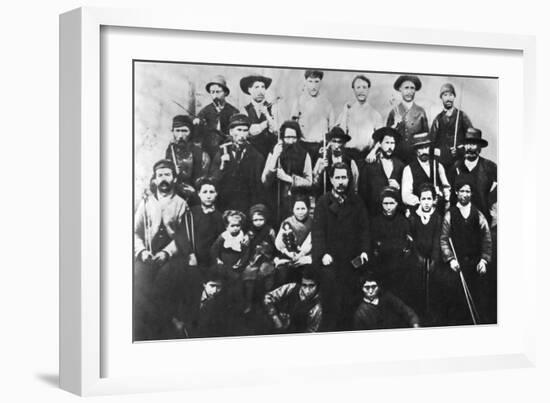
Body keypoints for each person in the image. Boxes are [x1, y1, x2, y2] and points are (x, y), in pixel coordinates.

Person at [133, 159, 189, 340]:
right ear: (154, 180)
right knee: (139, 279)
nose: (163, 179)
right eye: (160, 175)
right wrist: (141, 251)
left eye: (167, 175)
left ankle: (165, 326)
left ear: (174, 178)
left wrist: (167, 253)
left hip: (171, 255)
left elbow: (183, 236)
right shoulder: (146, 203)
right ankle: (144, 330)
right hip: (147, 253)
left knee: (164, 281)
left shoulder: (181, 203)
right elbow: (135, 232)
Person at [312, 162, 370, 330]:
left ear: (349, 179)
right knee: (331, 302)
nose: (341, 181)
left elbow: (364, 230)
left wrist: (365, 251)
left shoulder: (357, 202)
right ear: (331, 179)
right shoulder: (323, 202)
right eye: (337, 177)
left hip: (352, 259)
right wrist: (322, 254)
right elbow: (318, 232)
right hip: (330, 260)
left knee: (350, 302)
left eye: (344, 177)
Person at [440, 179, 493, 325]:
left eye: (468, 191)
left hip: (475, 265)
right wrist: (450, 259)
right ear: (456, 192)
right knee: (457, 302)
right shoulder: (450, 214)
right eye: (462, 191)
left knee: (478, 298)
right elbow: (444, 239)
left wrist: (484, 260)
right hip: (457, 265)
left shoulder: (478, 214)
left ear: (472, 193)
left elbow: (487, 239)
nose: (465, 194)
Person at [174, 176, 225, 325]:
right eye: (205, 192)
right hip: (193, 259)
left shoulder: (220, 217)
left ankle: (206, 322)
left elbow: (222, 241)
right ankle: (185, 321)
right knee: (189, 285)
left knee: (212, 290)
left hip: (211, 261)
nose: (208, 195)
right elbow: (181, 236)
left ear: (216, 194)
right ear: (199, 194)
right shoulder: (191, 213)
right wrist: (190, 254)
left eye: (211, 191)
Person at [210, 113, 266, 213]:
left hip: (248, 207)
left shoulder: (257, 156)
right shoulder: (222, 152)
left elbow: (258, 188)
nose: (242, 134)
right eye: (239, 130)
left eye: (245, 130)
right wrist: (222, 166)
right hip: (225, 206)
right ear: (231, 132)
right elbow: (213, 182)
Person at [261, 120, 313, 223]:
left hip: (296, 202)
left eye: (294, 137)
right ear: (282, 138)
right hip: (275, 200)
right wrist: (275, 156)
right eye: (287, 137)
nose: (290, 141)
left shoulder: (304, 155)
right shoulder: (275, 152)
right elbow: (265, 180)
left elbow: (309, 182)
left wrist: (288, 178)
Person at [369, 186, 413, 303]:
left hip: (399, 269)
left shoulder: (403, 222)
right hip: (381, 269)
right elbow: (373, 246)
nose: (388, 207)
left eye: (391, 203)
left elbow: (408, 245)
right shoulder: (375, 222)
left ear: (397, 204)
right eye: (385, 203)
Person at [447, 127, 497, 226]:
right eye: (467, 144)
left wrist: (491, 205)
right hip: (460, 221)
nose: (469, 147)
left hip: (483, 220)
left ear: (479, 148)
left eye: (473, 144)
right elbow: (451, 196)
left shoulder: (490, 167)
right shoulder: (456, 168)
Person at [407, 183, 442, 322]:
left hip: (431, 259)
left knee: (432, 286)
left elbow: (436, 239)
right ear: (419, 200)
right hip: (417, 258)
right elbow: (411, 239)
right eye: (424, 199)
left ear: (434, 200)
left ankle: (431, 315)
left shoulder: (437, 217)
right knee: (417, 286)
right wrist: (417, 256)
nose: (426, 202)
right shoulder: (414, 216)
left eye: (429, 199)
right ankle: (417, 314)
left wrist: (434, 258)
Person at [336, 74, 384, 162]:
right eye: (358, 87)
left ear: (368, 89)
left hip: (367, 157)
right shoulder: (347, 112)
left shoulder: (375, 114)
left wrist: (373, 152)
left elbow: (381, 139)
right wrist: (345, 113)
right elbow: (339, 135)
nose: (361, 91)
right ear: (353, 90)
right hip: (349, 156)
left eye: (364, 87)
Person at [290, 70, 335, 163]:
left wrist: (327, 146)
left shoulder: (327, 104)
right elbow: (292, 126)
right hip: (303, 146)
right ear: (305, 82)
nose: (313, 86)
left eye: (316, 81)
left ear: (321, 83)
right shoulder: (299, 101)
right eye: (310, 81)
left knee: (320, 174)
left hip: (320, 146)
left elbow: (332, 128)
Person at [358, 127, 404, 216]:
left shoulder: (400, 166)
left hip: (394, 215)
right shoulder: (370, 165)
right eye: (387, 142)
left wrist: (399, 187)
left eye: (392, 143)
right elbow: (362, 194)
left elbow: (406, 192)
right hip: (374, 214)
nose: (390, 146)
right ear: (380, 144)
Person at [165, 115, 211, 204]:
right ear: (173, 132)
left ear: (191, 132)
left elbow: (204, 180)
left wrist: (194, 191)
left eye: (184, 131)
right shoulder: (170, 151)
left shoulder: (201, 154)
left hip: (195, 198)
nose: (180, 135)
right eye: (177, 131)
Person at [263, 266, 323, 333]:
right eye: (304, 285)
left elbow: (311, 332)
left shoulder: (316, 308)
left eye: (311, 286)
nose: (307, 290)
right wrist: (275, 316)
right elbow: (268, 297)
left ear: (317, 286)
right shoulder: (291, 287)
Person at [401, 132, 451, 213]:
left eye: (426, 147)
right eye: (420, 148)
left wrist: (443, 196)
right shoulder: (408, 169)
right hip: (418, 213)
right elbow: (406, 196)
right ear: (415, 150)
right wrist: (424, 202)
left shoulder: (438, 166)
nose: (424, 151)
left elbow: (446, 188)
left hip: (437, 213)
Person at [353, 271, 420, 330]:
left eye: (374, 287)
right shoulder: (360, 314)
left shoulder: (388, 298)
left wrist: (415, 323)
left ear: (378, 287)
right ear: (362, 288)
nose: (370, 291)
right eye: (367, 287)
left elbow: (406, 310)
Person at [241, 204, 277, 314]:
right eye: (255, 220)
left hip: (267, 258)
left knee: (265, 272)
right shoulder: (250, 232)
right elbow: (246, 247)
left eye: (261, 219)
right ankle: (249, 301)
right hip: (254, 259)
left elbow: (277, 246)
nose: (258, 222)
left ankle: (267, 301)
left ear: (265, 218)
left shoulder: (270, 231)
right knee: (248, 272)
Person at [385, 75, 429, 163]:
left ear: (415, 90)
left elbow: (426, 138)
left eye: (412, 88)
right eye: (406, 88)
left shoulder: (421, 112)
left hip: (415, 158)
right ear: (400, 89)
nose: (409, 91)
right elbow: (387, 137)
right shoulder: (394, 112)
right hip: (396, 157)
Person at [429, 83, 473, 170]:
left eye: (451, 95)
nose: (448, 98)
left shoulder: (461, 116)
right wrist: (440, 152)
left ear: (454, 97)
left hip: (460, 162)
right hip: (442, 163)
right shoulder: (438, 119)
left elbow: (472, 139)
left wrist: (460, 150)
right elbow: (432, 143)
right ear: (441, 98)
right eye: (445, 95)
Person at [196, 75, 240, 159]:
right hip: (209, 150)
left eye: (218, 92)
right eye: (212, 92)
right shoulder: (205, 111)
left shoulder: (233, 111)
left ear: (225, 93)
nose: (215, 95)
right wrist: (197, 122)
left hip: (228, 148)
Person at [274, 194, 313, 285]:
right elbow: (280, 244)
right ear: (293, 209)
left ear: (308, 208)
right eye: (297, 209)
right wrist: (291, 255)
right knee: (284, 273)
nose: (300, 212)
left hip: (307, 256)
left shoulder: (313, 222)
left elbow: (314, 242)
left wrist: (303, 256)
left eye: (303, 209)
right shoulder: (287, 222)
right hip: (289, 255)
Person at [240, 74, 279, 158]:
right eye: (256, 87)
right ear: (249, 90)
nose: (260, 91)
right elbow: (248, 132)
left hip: (270, 153)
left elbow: (276, 130)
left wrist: (267, 114)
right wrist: (266, 123)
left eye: (263, 87)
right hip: (251, 154)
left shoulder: (273, 107)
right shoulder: (245, 110)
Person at [312, 126, 359, 195]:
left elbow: (354, 186)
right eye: (334, 141)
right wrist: (320, 170)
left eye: (339, 142)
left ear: (344, 143)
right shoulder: (322, 160)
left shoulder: (350, 162)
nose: (337, 145)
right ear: (329, 142)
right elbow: (315, 184)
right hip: (326, 200)